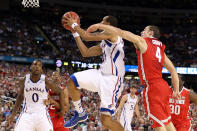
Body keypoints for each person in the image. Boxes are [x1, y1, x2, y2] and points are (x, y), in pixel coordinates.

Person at [87, 24, 181, 131]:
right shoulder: (160, 49)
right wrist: (176, 90)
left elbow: (121, 32)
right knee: (166, 122)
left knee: (158, 124)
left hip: (153, 87)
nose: (142, 32)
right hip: (163, 87)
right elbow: (173, 70)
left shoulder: (143, 41)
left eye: (144, 30)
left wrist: (99, 25)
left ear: (151, 33)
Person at [62, 15, 125, 131]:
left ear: (108, 24)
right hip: (100, 74)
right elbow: (85, 53)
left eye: (103, 21)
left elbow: (87, 36)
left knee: (106, 120)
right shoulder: (105, 41)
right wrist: (75, 33)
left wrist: (74, 24)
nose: (100, 22)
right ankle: (80, 113)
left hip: (112, 80)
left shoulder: (113, 33)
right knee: (72, 80)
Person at [8, 60, 65, 131]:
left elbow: (61, 91)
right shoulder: (24, 80)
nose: (37, 67)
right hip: (27, 114)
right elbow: (20, 97)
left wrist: (62, 109)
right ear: (31, 67)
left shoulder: (46, 81)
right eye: (35, 64)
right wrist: (13, 114)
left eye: (39, 65)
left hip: (42, 115)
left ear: (41, 69)